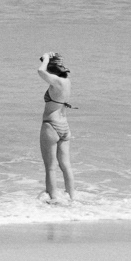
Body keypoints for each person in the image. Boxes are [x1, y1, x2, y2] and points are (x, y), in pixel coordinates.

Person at [37, 52, 75, 203]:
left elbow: (41, 71)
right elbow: (46, 70)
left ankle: (53, 200)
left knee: (50, 167)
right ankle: (72, 198)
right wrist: (48, 59)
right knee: (66, 165)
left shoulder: (56, 82)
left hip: (51, 125)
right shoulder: (67, 81)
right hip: (64, 126)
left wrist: (46, 58)